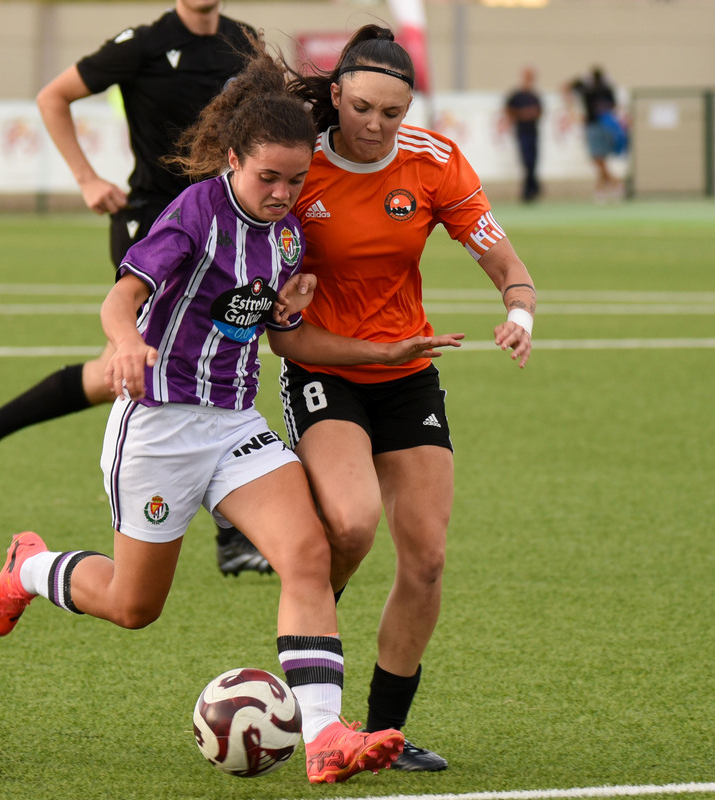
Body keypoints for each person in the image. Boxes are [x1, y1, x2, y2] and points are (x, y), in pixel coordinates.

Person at [0, 47, 464, 784]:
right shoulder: (195, 213)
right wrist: (125, 343)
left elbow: (278, 333)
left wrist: (367, 345)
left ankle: (326, 734)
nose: (280, 192)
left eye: (295, 180)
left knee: (306, 554)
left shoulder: (290, 233)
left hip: (235, 423)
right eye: (267, 177)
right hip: (161, 428)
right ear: (233, 158)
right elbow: (122, 296)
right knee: (135, 605)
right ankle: (31, 566)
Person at [0, 0, 272, 576]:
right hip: (155, 226)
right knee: (200, 351)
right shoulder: (142, 43)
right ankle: (233, 534)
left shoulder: (243, 42)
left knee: (130, 366)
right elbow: (53, 96)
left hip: (223, 229)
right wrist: (87, 177)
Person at [282, 25, 537, 771]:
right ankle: (308, 686)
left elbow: (502, 257)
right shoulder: (298, 167)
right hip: (324, 368)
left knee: (425, 558)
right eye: (362, 107)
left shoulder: (434, 161)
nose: (376, 125)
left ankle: (383, 735)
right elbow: (283, 336)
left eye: (392, 113)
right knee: (353, 525)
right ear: (335, 95)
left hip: (408, 371)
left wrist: (518, 311)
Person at [566, 67, 623, 201]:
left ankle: (615, 183)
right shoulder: (606, 89)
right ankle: (600, 190)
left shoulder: (589, 89)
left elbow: (570, 86)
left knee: (597, 158)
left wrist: (582, 78)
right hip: (604, 125)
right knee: (600, 159)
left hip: (596, 125)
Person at [504, 67, 543, 203]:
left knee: (533, 160)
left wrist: (531, 114)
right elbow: (509, 109)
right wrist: (521, 115)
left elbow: (540, 111)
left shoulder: (534, 95)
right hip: (522, 131)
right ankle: (530, 189)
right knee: (526, 160)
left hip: (533, 131)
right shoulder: (517, 95)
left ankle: (531, 189)